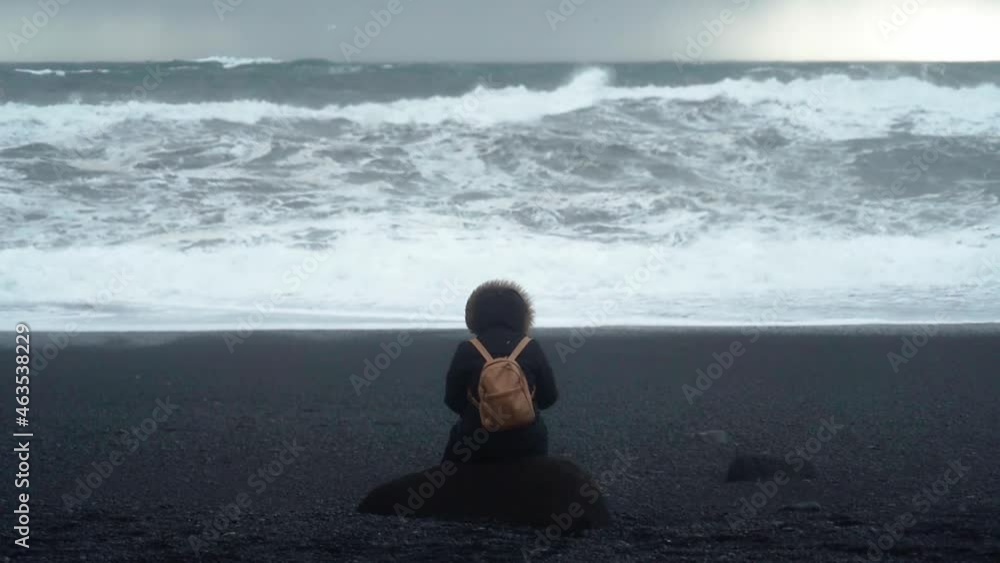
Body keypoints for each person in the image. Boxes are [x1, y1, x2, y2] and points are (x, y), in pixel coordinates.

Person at [442, 280, 558, 464]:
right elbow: (549, 398)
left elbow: (452, 400)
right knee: (539, 432)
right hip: (527, 440)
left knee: (450, 469)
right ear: (523, 315)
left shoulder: (467, 349)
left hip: (476, 440)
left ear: (474, 315)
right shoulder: (530, 347)